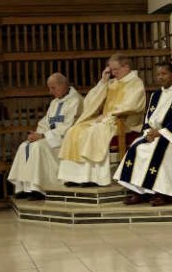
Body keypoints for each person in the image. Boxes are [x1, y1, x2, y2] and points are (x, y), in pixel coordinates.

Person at [115, 62, 172, 206]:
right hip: (154, 134)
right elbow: (148, 119)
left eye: (164, 74)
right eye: (158, 74)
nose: (160, 77)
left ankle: (165, 194)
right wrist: (149, 132)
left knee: (160, 150)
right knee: (136, 148)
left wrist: (162, 132)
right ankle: (141, 191)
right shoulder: (156, 95)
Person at [58, 54, 146, 186]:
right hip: (106, 120)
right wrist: (103, 82)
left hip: (124, 123)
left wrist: (109, 116)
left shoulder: (136, 83)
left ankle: (95, 178)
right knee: (74, 130)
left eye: (116, 69)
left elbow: (133, 105)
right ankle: (76, 177)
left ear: (126, 67)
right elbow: (89, 102)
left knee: (94, 131)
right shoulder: (111, 83)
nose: (113, 73)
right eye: (111, 70)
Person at [7, 73, 84, 199]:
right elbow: (45, 122)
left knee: (38, 147)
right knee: (24, 146)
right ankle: (25, 188)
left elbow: (69, 126)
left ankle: (39, 189)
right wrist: (36, 135)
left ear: (63, 85)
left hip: (66, 140)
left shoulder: (76, 101)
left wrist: (43, 136)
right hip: (50, 137)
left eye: (53, 88)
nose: (50, 92)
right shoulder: (54, 103)